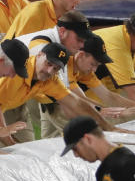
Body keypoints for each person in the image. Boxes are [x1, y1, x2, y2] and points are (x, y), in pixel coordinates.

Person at [0, 43, 132, 147]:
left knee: (22, 149)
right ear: (39, 55)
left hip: (2, 107)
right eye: (48, 63)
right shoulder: (14, 72)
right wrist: (12, 145)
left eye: (56, 68)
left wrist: (108, 127)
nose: (50, 71)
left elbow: (76, 103)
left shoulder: (50, 79)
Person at [8, 10, 94, 138]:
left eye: (84, 41)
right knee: (11, 145)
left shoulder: (61, 51)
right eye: (79, 39)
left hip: (23, 86)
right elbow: (58, 98)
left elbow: (65, 90)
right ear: (62, 31)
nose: (82, 45)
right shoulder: (41, 48)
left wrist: (93, 110)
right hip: (3, 88)